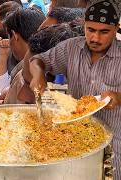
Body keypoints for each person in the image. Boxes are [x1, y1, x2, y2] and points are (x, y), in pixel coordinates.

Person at [28, 1, 121, 178]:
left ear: (116, 28)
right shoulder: (72, 48)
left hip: (115, 143)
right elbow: (38, 60)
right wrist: (38, 74)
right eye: (90, 30)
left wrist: (119, 96)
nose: (95, 38)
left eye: (104, 32)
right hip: (77, 137)